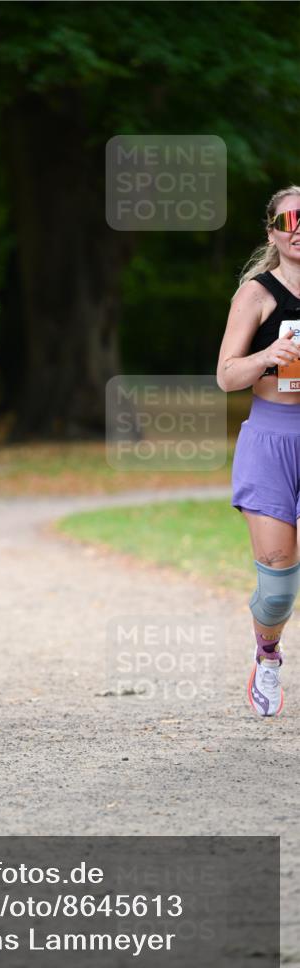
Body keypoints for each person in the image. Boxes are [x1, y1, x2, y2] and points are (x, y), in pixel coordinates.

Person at [217, 184, 300, 717]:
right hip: (271, 437)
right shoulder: (257, 293)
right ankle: (266, 656)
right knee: (276, 584)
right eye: (291, 221)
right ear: (273, 231)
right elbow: (226, 376)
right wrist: (269, 354)